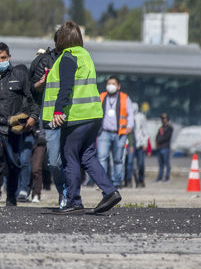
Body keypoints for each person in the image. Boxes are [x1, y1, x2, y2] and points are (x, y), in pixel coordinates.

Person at [45, 21, 120, 214]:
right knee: (87, 155)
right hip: (93, 115)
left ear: (61, 39)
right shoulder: (86, 56)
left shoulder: (67, 58)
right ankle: (110, 191)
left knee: (69, 156)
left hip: (76, 116)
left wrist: (58, 111)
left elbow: (66, 87)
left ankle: (73, 201)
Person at [0, 42, 40, 206]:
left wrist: (33, 116)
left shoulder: (19, 74)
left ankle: (11, 196)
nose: (0, 61)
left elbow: (31, 98)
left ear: (9, 57)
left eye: (3, 57)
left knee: (14, 163)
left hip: (14, 127)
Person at [33, 39, 66, 207]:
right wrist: (43, 80)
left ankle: (69, 195)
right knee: (53, 162)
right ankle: (62, 191)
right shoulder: (46, 60)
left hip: (71, 118)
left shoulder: (76, 59)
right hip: (50, 119)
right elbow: (35, 88)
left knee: (70, 160)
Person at [97, 76, 134, 187]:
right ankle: (103, 182)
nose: (110, 86)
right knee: (102, 157)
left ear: (118, 86)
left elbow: (130, 114)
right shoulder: (102, 96)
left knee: (118, 159)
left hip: (120, 133)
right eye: (109, 83)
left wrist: (130, 126)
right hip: (104, 132)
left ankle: (117, 181)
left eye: (113, 84)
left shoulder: (124, 98)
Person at [132, 106, 150, 188]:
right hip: (132, 144)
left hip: (140, 144)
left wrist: (145, 143)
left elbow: (145, 131)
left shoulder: (141, 117)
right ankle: (136, 180)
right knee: (131, 164)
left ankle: (141, 179)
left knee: (141, 164)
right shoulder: (129, 116)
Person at [155, 113, 173, 182]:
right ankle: (159, 177)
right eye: (162, 118)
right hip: (159, 147)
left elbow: (166, 138)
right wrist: (157, 142)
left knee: (167, 163)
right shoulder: (161, 128)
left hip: (165, 147)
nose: (163, 120)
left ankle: (167, 177)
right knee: (160, 164)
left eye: (164, 118)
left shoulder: (169, 128)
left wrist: (159, 141)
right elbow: (157, 136)